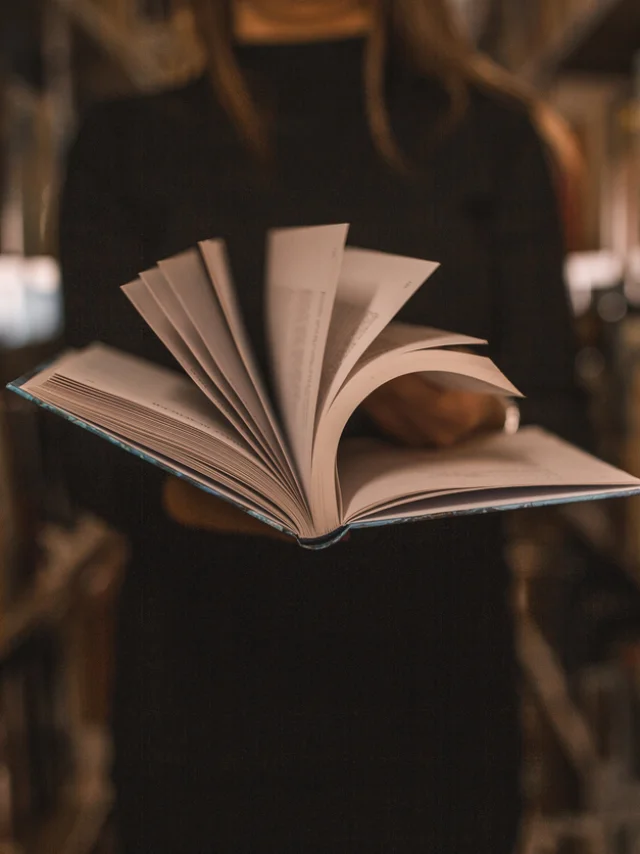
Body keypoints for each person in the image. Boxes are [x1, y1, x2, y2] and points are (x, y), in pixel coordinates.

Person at [59, 0, 588, 850]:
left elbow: (558, 408)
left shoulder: (489, 135)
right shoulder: (124, 142)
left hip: (434, 700)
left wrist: (483, 413)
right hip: (204, 702)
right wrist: (206, 492)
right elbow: (78, 435)